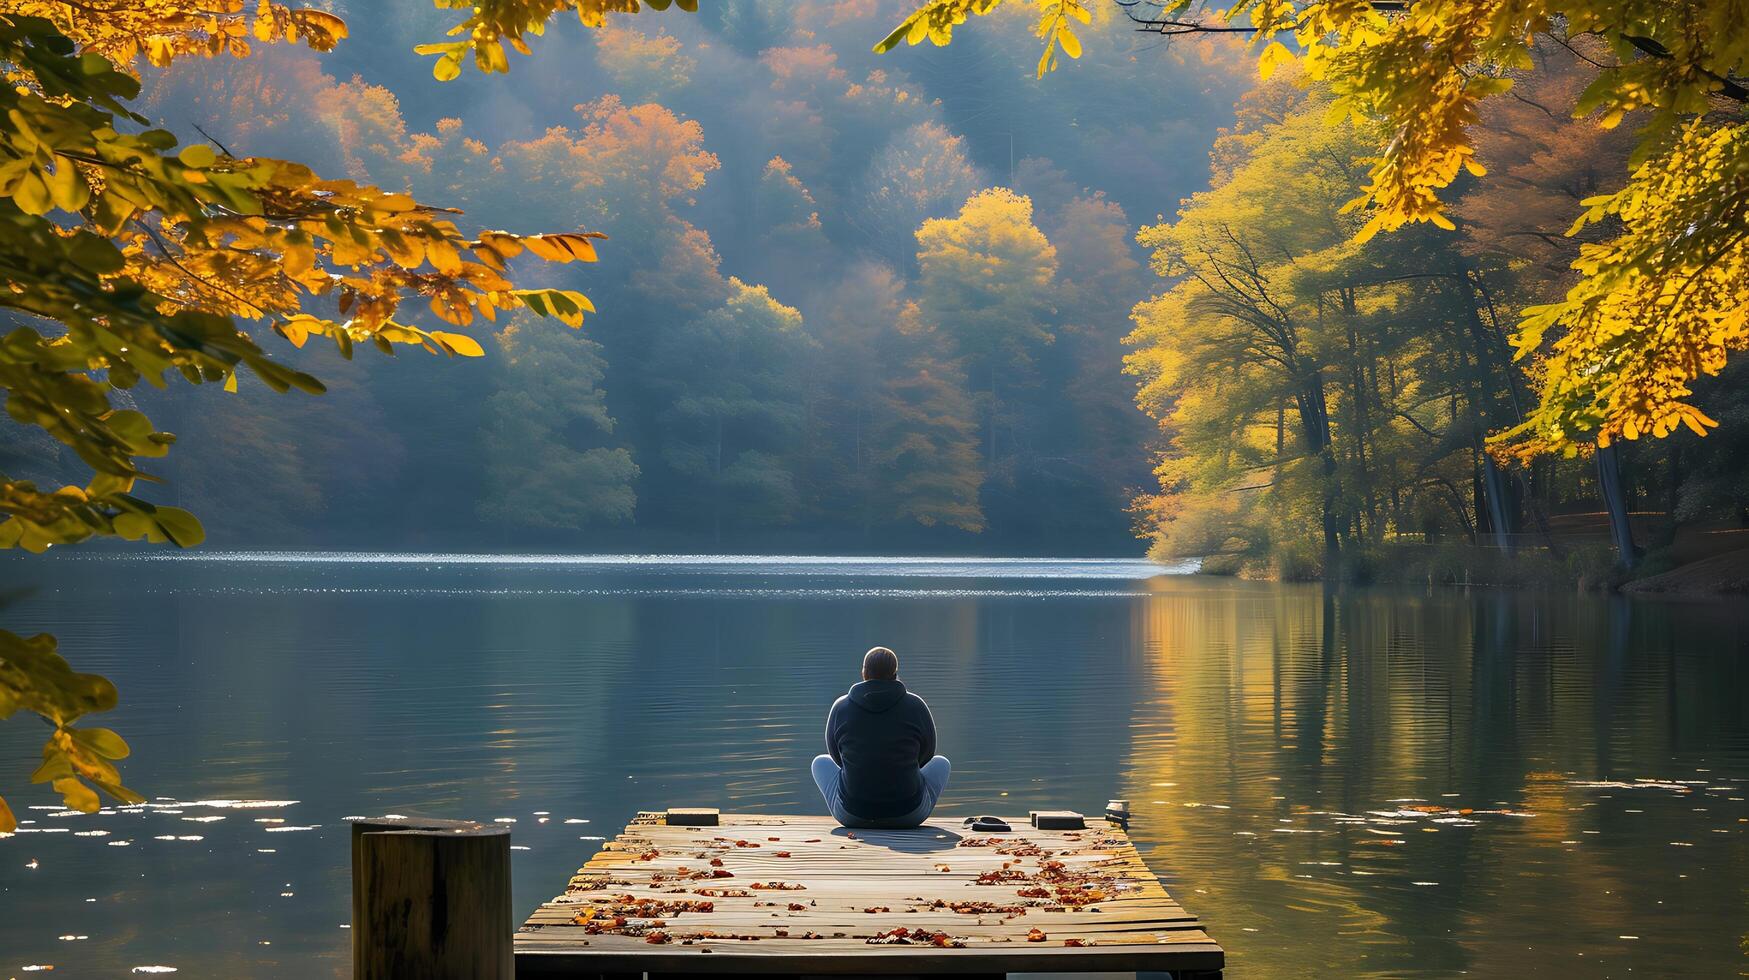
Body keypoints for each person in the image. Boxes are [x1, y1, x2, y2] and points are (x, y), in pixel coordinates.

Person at [811, 646, 950, 829]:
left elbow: (837, 758)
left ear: (864, 672)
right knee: (941, 763)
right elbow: (927, 755)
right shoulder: (916, 705)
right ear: (895, 674)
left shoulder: (841, 707)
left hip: (852, 815)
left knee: (820, 762)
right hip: (908, 815)